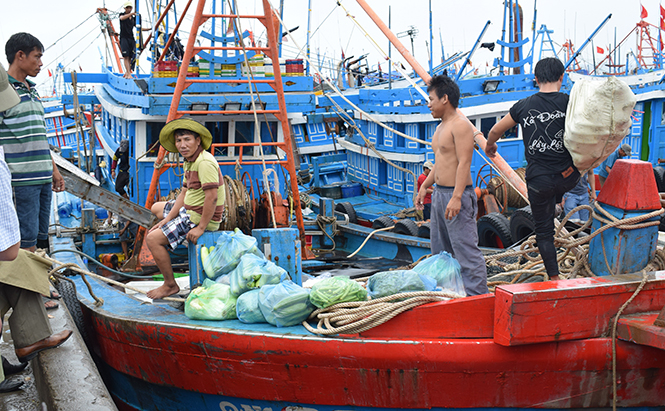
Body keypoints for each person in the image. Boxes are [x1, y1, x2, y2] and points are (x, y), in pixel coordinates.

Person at [0, 67, 72, 392]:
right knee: (21, 265)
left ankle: (30, 340)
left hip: (39, 172)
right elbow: (9, 249)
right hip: (25, 180)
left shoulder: (32, 91)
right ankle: (29, 339)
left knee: (22, 269)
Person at [486, 57, 580, 281]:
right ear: (561, 77)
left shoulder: (524, 106)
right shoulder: (570, 103)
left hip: (539, 182)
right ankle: (558, 202)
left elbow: (495, 130)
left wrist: (490, 146)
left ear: (536, 79)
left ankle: (554, 278)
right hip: (568, 177)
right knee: (568, 177)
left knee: (544, 232)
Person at [415, 75, 488, 296]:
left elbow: (465, 162)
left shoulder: (461, 125)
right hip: (438, 195)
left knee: (466, 251)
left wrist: (457, 197)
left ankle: (478, 298)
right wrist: (424, 186)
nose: (429, 104)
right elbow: (439, 162)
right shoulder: (439, 129)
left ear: (444, 98)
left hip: (457, 195)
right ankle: (449, 293)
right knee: (440, 253)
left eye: (431, 99)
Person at [146, 118, 226, 299]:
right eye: (179, 140)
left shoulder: (204, 162)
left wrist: (201, 228)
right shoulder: (190, 160)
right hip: (189, 210)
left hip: (197, 217)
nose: (182, 145)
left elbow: (212, 198)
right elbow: (183, 193)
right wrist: (167, 219)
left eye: (187, 139)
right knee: (156, 208)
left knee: (152, 239)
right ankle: (171, 229)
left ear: (198, 141)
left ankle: (169, 285)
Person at [119, 2, 137, 79]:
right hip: (124, 37)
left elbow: (138, 27)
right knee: (126, 56)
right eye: (127, 8)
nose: (129, 9)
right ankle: (128, 73)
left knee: (130, 56)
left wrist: (150, 29)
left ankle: (127, 73)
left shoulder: (132, 18)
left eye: (130, 8)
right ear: (125, 8)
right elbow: (122, 18)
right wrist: (131, 14)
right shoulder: (122, 15)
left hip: (131, 38)